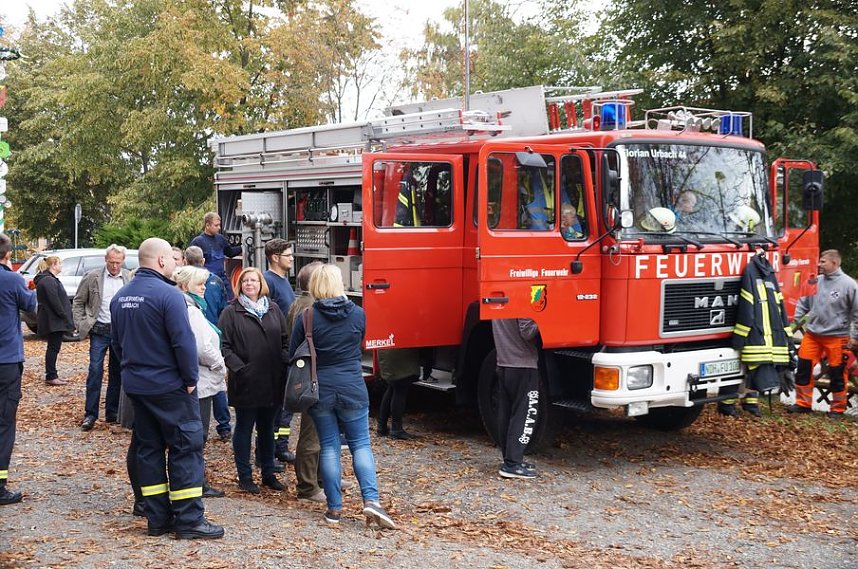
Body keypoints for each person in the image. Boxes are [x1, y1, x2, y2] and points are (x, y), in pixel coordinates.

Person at [110, 237, 223, 540]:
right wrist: (189, 380)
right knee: (186, 448)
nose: (176, 263)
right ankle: (189, 521)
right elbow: (183, 343)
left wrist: (133, 372)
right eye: (172, 259)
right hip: (170, 387)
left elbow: (117, 345)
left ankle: (157, 519)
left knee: (148, 449)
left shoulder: (121, 297)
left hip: (137, 387)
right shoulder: (169, 296)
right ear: (160, 261)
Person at [289, 264, 395, 529]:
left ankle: (334, 509)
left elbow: (294, 352)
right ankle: (371, 501)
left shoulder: (307, 317)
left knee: (330, 447)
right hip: (352, 387)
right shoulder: (359, 314)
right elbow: (359, 344)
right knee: (361, 444)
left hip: (320, 389)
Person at [218, 267, 288, 494]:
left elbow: (285, 340)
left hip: (272, 379)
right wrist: (240, 369)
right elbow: (224, 346)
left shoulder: (274, 309)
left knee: (268, 429)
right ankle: (245, 476)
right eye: (245, 281)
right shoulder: (231, 312)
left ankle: (268, 473)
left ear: (261, 284)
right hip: (246, 382)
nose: (249, 284)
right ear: (240, 285)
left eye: (253, 280)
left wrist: (284, 363)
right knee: (244, 428)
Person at [173, 266, 227, 499]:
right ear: (186, 286)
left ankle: (196, 479)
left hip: (201, 379)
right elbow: (201, 347)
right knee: (199, 434)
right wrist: (220, 365)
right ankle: (197, 482)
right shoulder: (192, 311)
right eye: (199, 284)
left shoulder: (189, 306)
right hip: (201, 381)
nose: (204, 288)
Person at [787, 250, 858, 419]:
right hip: (812, 335)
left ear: (834, 263)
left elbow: (857, 313)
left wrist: (855, 336)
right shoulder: (814, 282)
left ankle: (837, 409)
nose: (819, 265)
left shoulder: (849, 285)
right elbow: (802, 304)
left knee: (837, 373)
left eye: (823, 262)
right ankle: (803, 404)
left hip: (837, 337)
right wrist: (792, 325)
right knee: (803, 368)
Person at [73, 244, 131, 431]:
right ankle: (90, 414)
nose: (115, 266)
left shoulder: (129, 278)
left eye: (118, 262)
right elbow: (79, 301)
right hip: (98, 329)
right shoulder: (93, 277)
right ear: (106, 260)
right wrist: (80, 323)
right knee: (95, 370)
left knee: (117, 372)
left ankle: (112, 412)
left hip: (120, 331)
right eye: (112, 262)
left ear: (123, 261)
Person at [0, 233, 37, 505]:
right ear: (8, 255)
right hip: (6, 360)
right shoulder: (12, 279)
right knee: (4, 422)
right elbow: (31, 306)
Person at [285, 261, 325, 503]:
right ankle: (309, 487)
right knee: (312, 433)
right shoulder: (310, 307)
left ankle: (319, 478)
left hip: (306, 374)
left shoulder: (299, 302)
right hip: (311, 375)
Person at [185, 245, 231, 442]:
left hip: (205, 340)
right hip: (214, 334)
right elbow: (223, 307)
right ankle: (224, 425)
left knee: (207, 383)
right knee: (217, 384)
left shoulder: (189, 293)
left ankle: (203, 430)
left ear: (186, 262)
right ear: (203, 261)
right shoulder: (216, 281)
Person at [491, 318, 540, 479]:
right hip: (523, 364)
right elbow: (527, 332)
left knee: (505, 414)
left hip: (504, 362)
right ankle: (513, 464)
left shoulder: (500, 298)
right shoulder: (523, 298)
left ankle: (509, 459)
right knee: (524, 414)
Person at [262, 238, 296, 464]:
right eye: (288, 255)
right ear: (275, 258)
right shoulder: (268, 281)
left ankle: (280, 447)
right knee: (273, 405)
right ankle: (268, 449)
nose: (292, 258)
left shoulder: (284, 280)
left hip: (287, 350)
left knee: (286, 404)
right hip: (275, 352)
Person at [34, 256, 74, 386]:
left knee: (53, 347)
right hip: (53, 321)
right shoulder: (48, 281)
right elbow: (55, 302)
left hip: (53, 320)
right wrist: (65, 317)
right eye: (60, 263)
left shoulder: (48, 280)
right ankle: (51, 375)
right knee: (53, 348)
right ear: (53, 265)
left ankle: (53, 374)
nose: (61, 266)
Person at [189, 212, 242, 300]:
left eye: (219, 225)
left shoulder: (220, 239)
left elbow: (230, 253)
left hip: (222, 278)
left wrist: (242, 247)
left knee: (231, 300)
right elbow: (191, 263)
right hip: (206, 280)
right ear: (207, 225)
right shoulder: (198, 241)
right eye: (216, 225)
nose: (219, 228)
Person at [377, 348, 419, 440]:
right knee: (400, 388)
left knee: (392, 387)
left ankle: (381, 427)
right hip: (400, 353)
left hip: (387, 351)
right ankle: (396, 429)